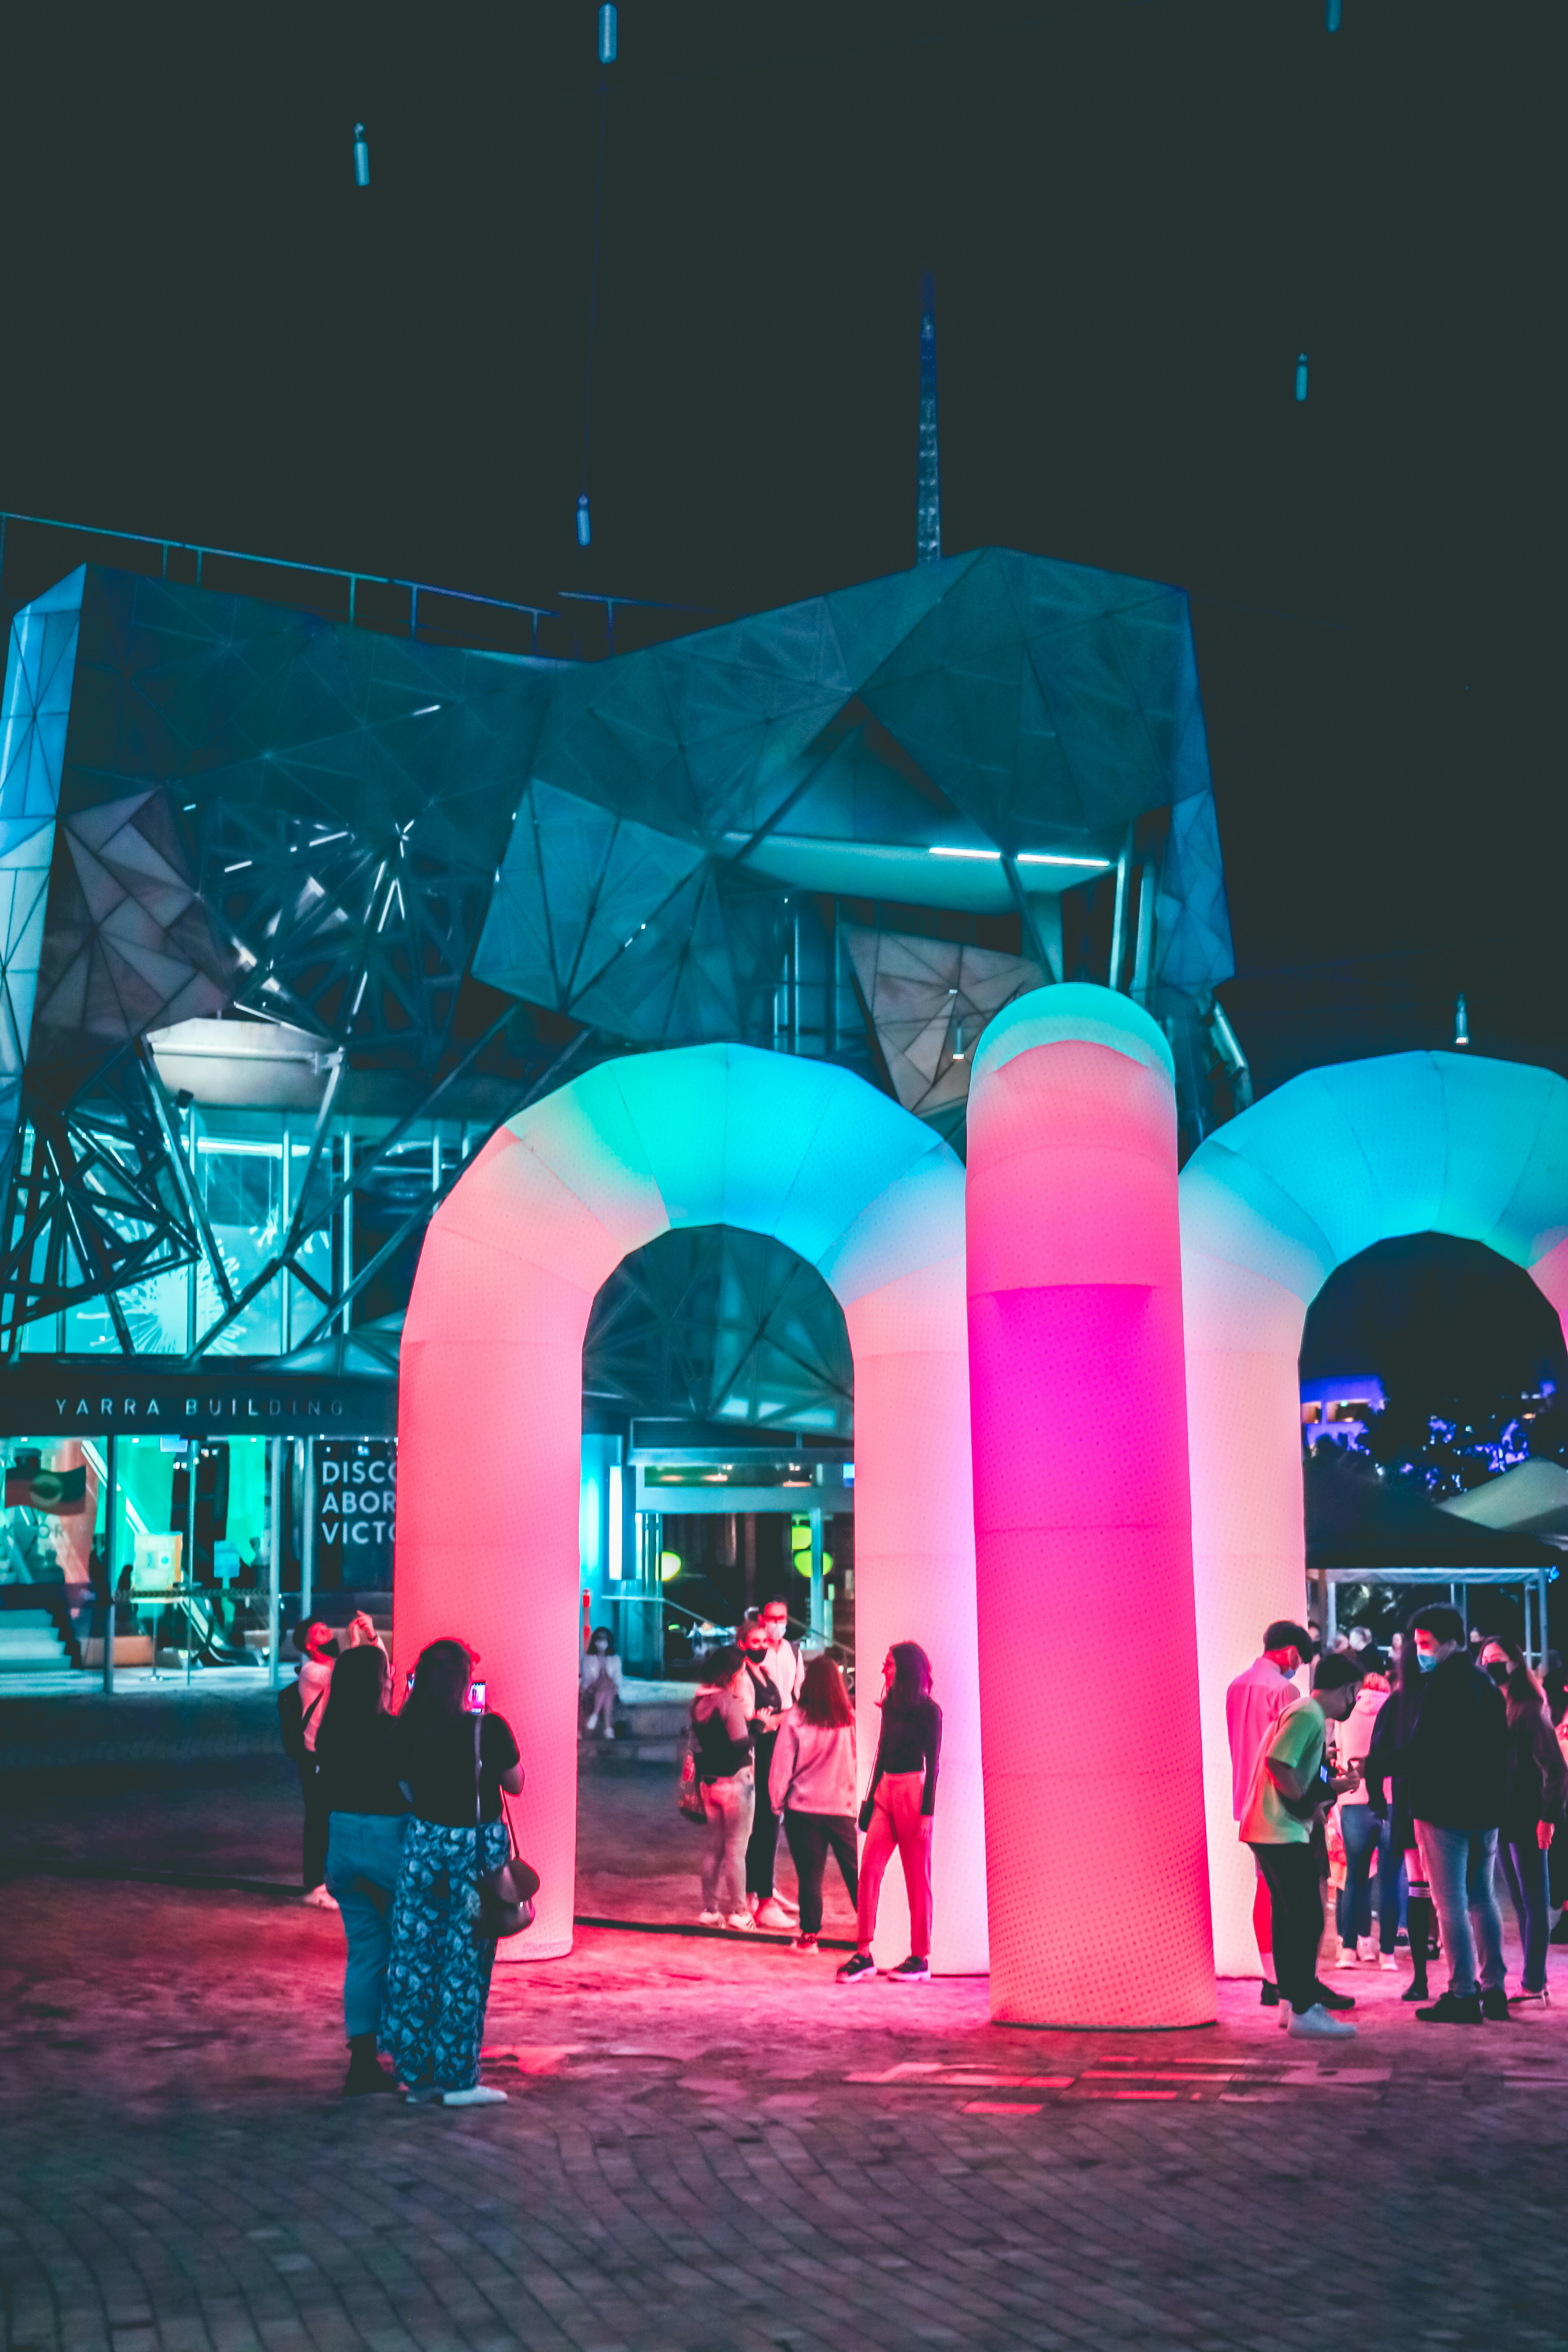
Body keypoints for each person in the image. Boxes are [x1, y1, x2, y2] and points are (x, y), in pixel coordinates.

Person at [380, 1639, 522, 2106]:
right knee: (465, 1965)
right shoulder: (487, 1729)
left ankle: (416, 2075)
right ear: (465, 1683)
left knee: (415, 1963)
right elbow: (516, 1783)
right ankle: (459, 2077)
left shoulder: (404, 1731)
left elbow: (402, 1789)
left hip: (423, 1854)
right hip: (473, 1860)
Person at [1383, 1604, 1508, 2024]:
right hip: (1485, 1809)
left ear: (1447, 1642)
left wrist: (1378, 1765)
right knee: (1482, 1897)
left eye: (1424, 1643)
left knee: (1449, 1901)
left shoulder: (1438, 1687)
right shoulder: (1485, 1684)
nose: (1419, 1651)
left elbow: (1425, 1751)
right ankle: (1494, 1987)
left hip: (1443, 1808)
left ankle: (1461, 1992)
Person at [1239, 1651, 1366, 2038]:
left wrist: (1322, 1790)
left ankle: (1291, 2005)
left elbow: (1288, 1764)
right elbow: (1281, 1763)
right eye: (1356, 1695)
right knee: (1306, 1917)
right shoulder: (1310, 1715)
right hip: (1280, 1828)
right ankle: (1303, 2009)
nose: (1354, 1703)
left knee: (1289, 1916)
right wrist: (1301, 1801)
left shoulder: (1303, 1711)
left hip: (1268, 1828)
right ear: (1347, 1689)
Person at [316, 1642, 410, 2095]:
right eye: (386, 1673)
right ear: (380, 1684)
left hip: (342, 1841)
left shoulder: (332, 1731)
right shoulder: (392, 1732)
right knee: (409, 1948)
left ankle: (362, 2061)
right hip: (386, 1839)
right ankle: (416, 2054)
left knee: (365, 1954)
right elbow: (412, 1786)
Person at [838, 1641, 941, 1986]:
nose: (883, 1670)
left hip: (914, 1791)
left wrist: (928, 1811)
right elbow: (881, 1754)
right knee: (868, 1870)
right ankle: (864, 1952)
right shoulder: (891, 1705)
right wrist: (869, 1803)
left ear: (906, 1668)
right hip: (885, 1790)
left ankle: (920, 1957)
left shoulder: (930, 1711)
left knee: (917, 1879)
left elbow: (934, 1764)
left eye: (889, 1665)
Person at [1225, 1620, 1313, 2003]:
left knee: (1266, 1887)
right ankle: (1284, 1979)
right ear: (1292, 1652)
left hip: (1244, 1798)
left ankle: (1270, 1975)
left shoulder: (1235, 1686)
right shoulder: (1285, 1690)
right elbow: (1289, 1753)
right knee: (1286, 1896)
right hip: (1278, 1804)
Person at [1479, 1636, 1566, 2005]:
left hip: (1528, 1815)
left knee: (1533, 1901)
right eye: (1485, 1659)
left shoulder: (1528, 1708)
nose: (1490, 1665)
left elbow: (1556, 1768)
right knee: (1521, 1902)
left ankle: (1533, 1984)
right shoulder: (1497, 1706)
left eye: (1497, 1659)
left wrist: (1547, 1817)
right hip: (1506, 1816)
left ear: (1515, 1663)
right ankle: (1535, 1981)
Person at [770, 1653, 858, 1953]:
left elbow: (782, 1766)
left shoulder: (795, 1718)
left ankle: (809, 1937)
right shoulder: (850, 1719)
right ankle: (875, 1933)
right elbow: (860, 1763)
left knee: (810, 1875)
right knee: (856, 1874)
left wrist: (776, 1801)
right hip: (843, 1808)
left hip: (803, 1810)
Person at [1329, 1669, 1404, 1970]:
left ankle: (1348, 1949)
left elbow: (1339, 1755)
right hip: (1390, 1801)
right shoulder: (1398, 1710)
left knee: (1354, 1880)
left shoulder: (1345, 1714)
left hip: (1353, 1801)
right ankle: (1387, 1953)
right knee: (1390, 1880)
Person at [740, 1604, 799, 1930]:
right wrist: (780, 1719)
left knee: (767, 1826)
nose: (764, 1645)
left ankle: (760, 1893)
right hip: (758, 1759)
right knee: (763, 1827)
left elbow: (775, 1713)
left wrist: (775, 1720)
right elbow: (753, 1723)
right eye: (757, 1641)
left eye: (766, 1641)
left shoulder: (769, 1669)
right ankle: (763, 1899)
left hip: (773, 1754)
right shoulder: (743, 1677)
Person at [690, 1644, 756, 1930]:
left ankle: (709, 1910)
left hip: (709, 1784)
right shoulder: (728, 1702)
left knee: (712, 1850)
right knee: (736, 1850)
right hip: (735, 1783)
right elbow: (740, 1744)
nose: (744, 1674)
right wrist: (761, 1726)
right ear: (732, 1674)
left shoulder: (699, 1702)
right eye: (742, 1670)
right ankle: (740, 1913)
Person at [284, 1620, 339, 1908]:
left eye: (326, 1628)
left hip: (329, 1755)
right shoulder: (312, 1671)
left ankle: (325, 1883)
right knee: (319, 1821)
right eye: (319, 1631)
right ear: (309, 1645)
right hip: (315, 1755)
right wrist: (360, 1639)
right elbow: (350, 1679)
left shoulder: (331, 1665)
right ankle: (316, 1888)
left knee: (330, 1819)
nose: (327, 1631)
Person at [580, 1626, 622, 1739]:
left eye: (605, 1639)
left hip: (610, 1690)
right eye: (599, 1639)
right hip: (592, 1689)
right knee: (605, 1683)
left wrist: (609, 1680)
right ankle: (608, 1728)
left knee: (608, 1686)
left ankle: (595, 1714)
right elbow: (587, 1679)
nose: (602, 1642)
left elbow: (618, 1679)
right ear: (595, 1641)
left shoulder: (615, 1659)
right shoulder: (588, 1659)